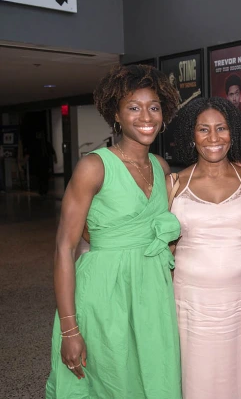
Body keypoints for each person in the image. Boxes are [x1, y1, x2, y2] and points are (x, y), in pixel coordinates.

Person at [45, 64, 183, 399]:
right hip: (105, 295)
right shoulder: (94, 167)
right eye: (133, 108)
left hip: (151, 294)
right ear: (116, 116)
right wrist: (69, 329)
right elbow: (65, 247)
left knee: (154, 378)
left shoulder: (161, 166)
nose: (145, 116)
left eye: (153, 107)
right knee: (110, 381)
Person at [168, 97, 241, 399]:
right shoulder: (175, 184)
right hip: (192, 302)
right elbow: (165, 248)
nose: (213, 138)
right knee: (197, 374)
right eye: (203, 130)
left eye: (221, 128)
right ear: (190, 136)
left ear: (233, 132)